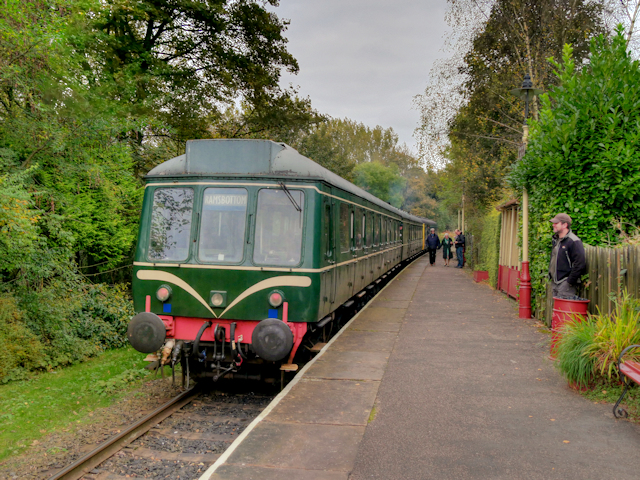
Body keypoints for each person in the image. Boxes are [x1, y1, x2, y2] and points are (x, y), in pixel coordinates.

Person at [548, 213, 586, 298]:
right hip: (555, 282)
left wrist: (569, 282)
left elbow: (580, 264)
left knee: (564, 310)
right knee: (556, 310)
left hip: (565, 285)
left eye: (556, 223)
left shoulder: (574, 241)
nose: (553, 225)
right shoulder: (556, 240)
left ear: (564, 225)